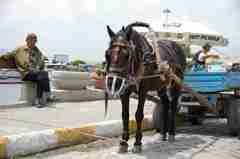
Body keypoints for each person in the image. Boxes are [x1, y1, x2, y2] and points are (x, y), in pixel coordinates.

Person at [12, 33, 51, 107]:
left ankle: (38, 99)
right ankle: (47, 95)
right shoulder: (20, 49)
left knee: (42, 76)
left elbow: (41, 62)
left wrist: (39, 67)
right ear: (26, 40)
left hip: (36, 73)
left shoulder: (37, 51)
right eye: (32, 40)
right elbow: (9, 56)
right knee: (43, 75)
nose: (34, 42)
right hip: (25, 73)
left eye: (35, 40)